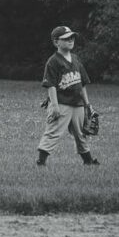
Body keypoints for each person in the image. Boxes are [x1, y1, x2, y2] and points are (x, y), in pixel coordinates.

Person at [37, 25, 99, 166]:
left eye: (71, 37)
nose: (70, 40)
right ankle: (41, 161)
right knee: (54, 132)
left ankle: (88, 161)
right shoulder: (53, 61)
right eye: (65, 38)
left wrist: (87, 105)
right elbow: (50, 85)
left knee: (81, 134)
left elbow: (82, 83)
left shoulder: (76, 59)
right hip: (62, 103)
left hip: (78, 104)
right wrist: (54, 106)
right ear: (56, 42)